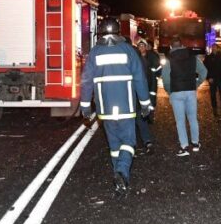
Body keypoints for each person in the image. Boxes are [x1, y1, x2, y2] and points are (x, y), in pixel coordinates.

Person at [80, 17, 152, 197]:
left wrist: (85, 107)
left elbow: (86, 81)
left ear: (102, 32)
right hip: (126, 107)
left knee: (114, 145)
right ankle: (122, 173)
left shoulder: (95, 53)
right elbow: (140, 79)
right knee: (128, 142)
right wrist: (145, 104)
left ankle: (117, 178)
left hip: (105, 110)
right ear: (118, 31)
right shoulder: (128, 50)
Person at [161, 39, 206, 156]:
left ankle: (184, 147)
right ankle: (195, 144)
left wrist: (169, 90)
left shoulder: (169, 60)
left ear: (171, 47)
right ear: (183, 46)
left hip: (176, 92)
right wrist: (197, 84)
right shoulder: (193, 57)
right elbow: (204, 72)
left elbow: (165, 78)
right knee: (192, 118)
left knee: (180, 121)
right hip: (190, 91)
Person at [135, 39, 162, 153]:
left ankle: (146, 140)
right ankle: (140, 141)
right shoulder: (135, 58)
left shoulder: (152, 57)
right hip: (137, 90)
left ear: (146, 47)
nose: (141, 48)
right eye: (139, 46)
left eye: (143, 46)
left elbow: (158, 71)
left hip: (149, 87)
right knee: (138, 115)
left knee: (145, 111)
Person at [204, 44, 221, 118]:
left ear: (218, 49)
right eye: (212, 48)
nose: (214, 49)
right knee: (213, 95)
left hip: (220, 78)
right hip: (212, 79)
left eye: (215, 48)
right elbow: (205, 68)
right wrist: (208, 77)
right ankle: (215, 110)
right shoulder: (208, 57)